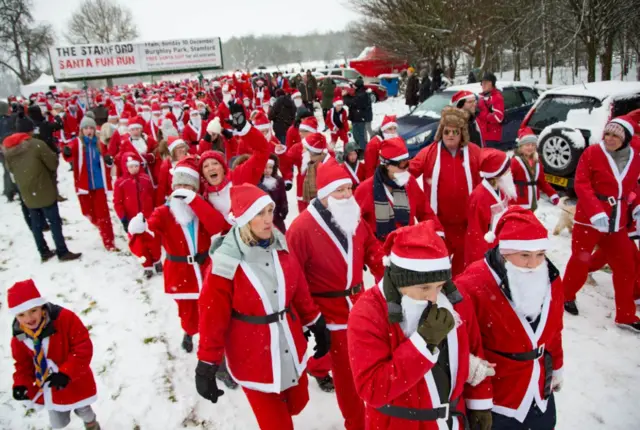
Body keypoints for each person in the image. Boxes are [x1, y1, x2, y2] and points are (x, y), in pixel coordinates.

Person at [195, 184, 331, 430]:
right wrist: (207, 363)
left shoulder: (280, 244)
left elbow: (298, 287)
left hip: (289, 341)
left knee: (298, 403)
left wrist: (316, 322)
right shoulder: (224, 263)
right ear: (245, 219)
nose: (269, 219)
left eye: (270, 211)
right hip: (253, 355)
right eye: (260, 214)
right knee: (277, 424)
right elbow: (212, 317)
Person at [347, 221, 492, 430]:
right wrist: (423, 343)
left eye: (440, 286)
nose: (433, 297)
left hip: (453, 421)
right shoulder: (368, 312)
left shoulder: (455, 299)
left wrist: (480, 404)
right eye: (424, 287)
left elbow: (474, 348)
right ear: (399, 280)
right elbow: (372, 389)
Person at [287, 162, 385, 430]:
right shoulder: (301, 228)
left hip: (360, 306)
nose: (346, 195)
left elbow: (370, 248)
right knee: (349, 375)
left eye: (349, 189)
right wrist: (311, 317)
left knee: (368, 365)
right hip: (329, 313)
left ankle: (318, 366)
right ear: (324, 194)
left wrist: (388, 272)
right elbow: (293, 278)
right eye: (339, 190)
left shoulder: (353, 216)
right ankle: (356, 424)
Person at [456, 206, 564, 430]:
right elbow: (461, 347)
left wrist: (557, 368)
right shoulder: (472, 284)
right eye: (524, 255)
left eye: (540, 255)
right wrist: (478, 401)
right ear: (504, 253)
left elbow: (555, 331)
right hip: (499, 397)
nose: (533, 264)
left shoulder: (551, 278)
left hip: (539, 392)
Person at [127, 157, 226, 352]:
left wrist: (196, 202)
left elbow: (217, 226)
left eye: (187, 186)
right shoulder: (164, 212)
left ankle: (213, 351)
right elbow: (150, 233)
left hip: (205, 268)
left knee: (211, 312)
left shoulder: (203, 208)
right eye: (178, 185)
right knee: (188, 313)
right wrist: (137, 229)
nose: (182, 190)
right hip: (180, 273)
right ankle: (189, 332)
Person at [562, 116, 640, 331]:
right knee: (580, 261)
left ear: (625, 139)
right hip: (589, 221)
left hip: (617, 223)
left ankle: (625, 315)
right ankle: (565, 295)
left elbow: (634, 187)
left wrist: (637, 209)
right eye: (607, 134)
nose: (610, 138)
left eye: (615, 135)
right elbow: (581, 184)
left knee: (626, 266)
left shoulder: (634, 157)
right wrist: (596, 211)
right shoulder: (592, 153)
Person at [9, 279, 100, 430]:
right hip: (49, 387)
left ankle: (91, 425)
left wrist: (66, 373)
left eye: (33, 310)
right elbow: (22, 364)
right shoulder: (19, 338)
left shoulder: (65, 319)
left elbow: (82, 347)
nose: (29, 319)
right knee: (58, 420)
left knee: (84, 410)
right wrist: (21, 383)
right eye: (21, 314)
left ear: (42, 307)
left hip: (73, 380)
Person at [409, 106, 482, 276]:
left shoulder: (474, 153)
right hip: (439, 223)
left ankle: (459, 293)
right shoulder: (429, 153)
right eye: (447, 131)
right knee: (437, 264)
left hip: (466, 223)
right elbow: (408, 173)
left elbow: (492, 170)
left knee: (464, 267)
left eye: (455, 132)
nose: (450, 135)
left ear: (461, 134)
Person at [4, 115, 81, 262]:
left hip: (26, 190)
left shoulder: (8, 149)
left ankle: (43, 251)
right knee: (54, 222)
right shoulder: (37, 145)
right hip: (43, 187)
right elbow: (52, 164)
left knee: (36, 223)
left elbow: (10, 169)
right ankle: (62, 251)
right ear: (30, 131)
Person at [355, 137, 442, 245]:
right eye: (402, 164)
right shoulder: (365, 190)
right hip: (380, 253)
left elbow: (425, 211)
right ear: (387, 165)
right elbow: (355, 228)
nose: (406, 168)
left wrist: (437, 234)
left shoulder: (409, 183)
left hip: (407, 248)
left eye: (407, 162)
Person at [63, 116, 116, 251]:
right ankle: (99, 224)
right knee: (87, 211)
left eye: (91, 128)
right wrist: (66, 151)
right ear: (82, 130)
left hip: (99, 185)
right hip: (85, 186)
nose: (89, 131)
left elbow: (107, 160)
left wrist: (108, 160)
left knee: (103, 214)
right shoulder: (78, 143)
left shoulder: (99, 144)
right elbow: (69, 151)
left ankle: (109, 241)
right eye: (86, 128)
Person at [464, 148, 517, 268]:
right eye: (506, 169)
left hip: (499, 246)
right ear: (497, 174)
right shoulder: (479, 197)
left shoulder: (502, 189)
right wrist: (483, 259)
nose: (510, 171)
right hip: (485, 251)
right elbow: (475, 233)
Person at [114, 152, 161, 279]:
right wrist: (124, 219)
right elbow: (118, 203)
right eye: (131, 166)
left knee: (154, 242)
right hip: (133, 221)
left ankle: (157, 261)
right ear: (125, 167)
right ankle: (147, 265)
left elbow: (152, 195)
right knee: (139, 246)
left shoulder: (146, 178)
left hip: (148, 218)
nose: (134, 169)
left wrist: (155, 211)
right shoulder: (120, 183)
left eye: (136, 166)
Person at [510, 127, 559, 211]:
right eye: (527, 145)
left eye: (533, 145)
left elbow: (542, 182)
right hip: (518, 202)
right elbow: (507, 183)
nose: (530, 147)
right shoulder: (514, 162)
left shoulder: (537, 161)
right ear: (521, 146)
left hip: (533, 202)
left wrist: (552, 194)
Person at [115, 116, 158, 186]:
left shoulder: (148, 139)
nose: (135, 132)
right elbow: (121, 158)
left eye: (137, 129)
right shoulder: (126, 143)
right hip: (133, 172)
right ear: (129, 131)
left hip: (148, 170)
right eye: (132, 129)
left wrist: (152, 156)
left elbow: (157, 149)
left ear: (141, 129)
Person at [156, 136, 190, 206]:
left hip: (190, 198)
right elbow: (162, 187)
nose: (182, 150)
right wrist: (159, 205)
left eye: (183, 146)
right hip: (174, 200)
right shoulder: (167, 165)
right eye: (178, 148)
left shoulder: (191, 160)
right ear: (173, 150)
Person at [258, 155, 288, 234]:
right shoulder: (258, 181)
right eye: (265, 167)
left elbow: (283, 198)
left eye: (270, 167)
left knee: (281, 237)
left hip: (277, 217)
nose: (267, 170)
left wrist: (283, 210)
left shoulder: (278, 181)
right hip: (263, 218)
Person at [477, 72, 505, 149]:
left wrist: (481, 114)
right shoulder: (481, 97)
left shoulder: (496, 97)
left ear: (491, 83)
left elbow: (498, 117)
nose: (483, 85)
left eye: (485, 83)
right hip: (482, 135)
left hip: (491, 137)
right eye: (482, 83)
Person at [345, 77, 371, 151]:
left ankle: (363, 151)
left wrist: (345, 96)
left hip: (359, 119)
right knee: (356, 135)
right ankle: (361, 149)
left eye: (355, 85)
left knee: (360, 136)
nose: (354, 87)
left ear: (358, 86)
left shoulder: (362, 94)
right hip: (356, 118)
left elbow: (352, 103)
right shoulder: (359, 92)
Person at [0, 100, 18, 202]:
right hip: (9, 147)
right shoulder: (9, 119)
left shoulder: (9, 119)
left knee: (7, 169)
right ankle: (10, 191)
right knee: (10, 169)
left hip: (3, 149)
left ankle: (9, 190)